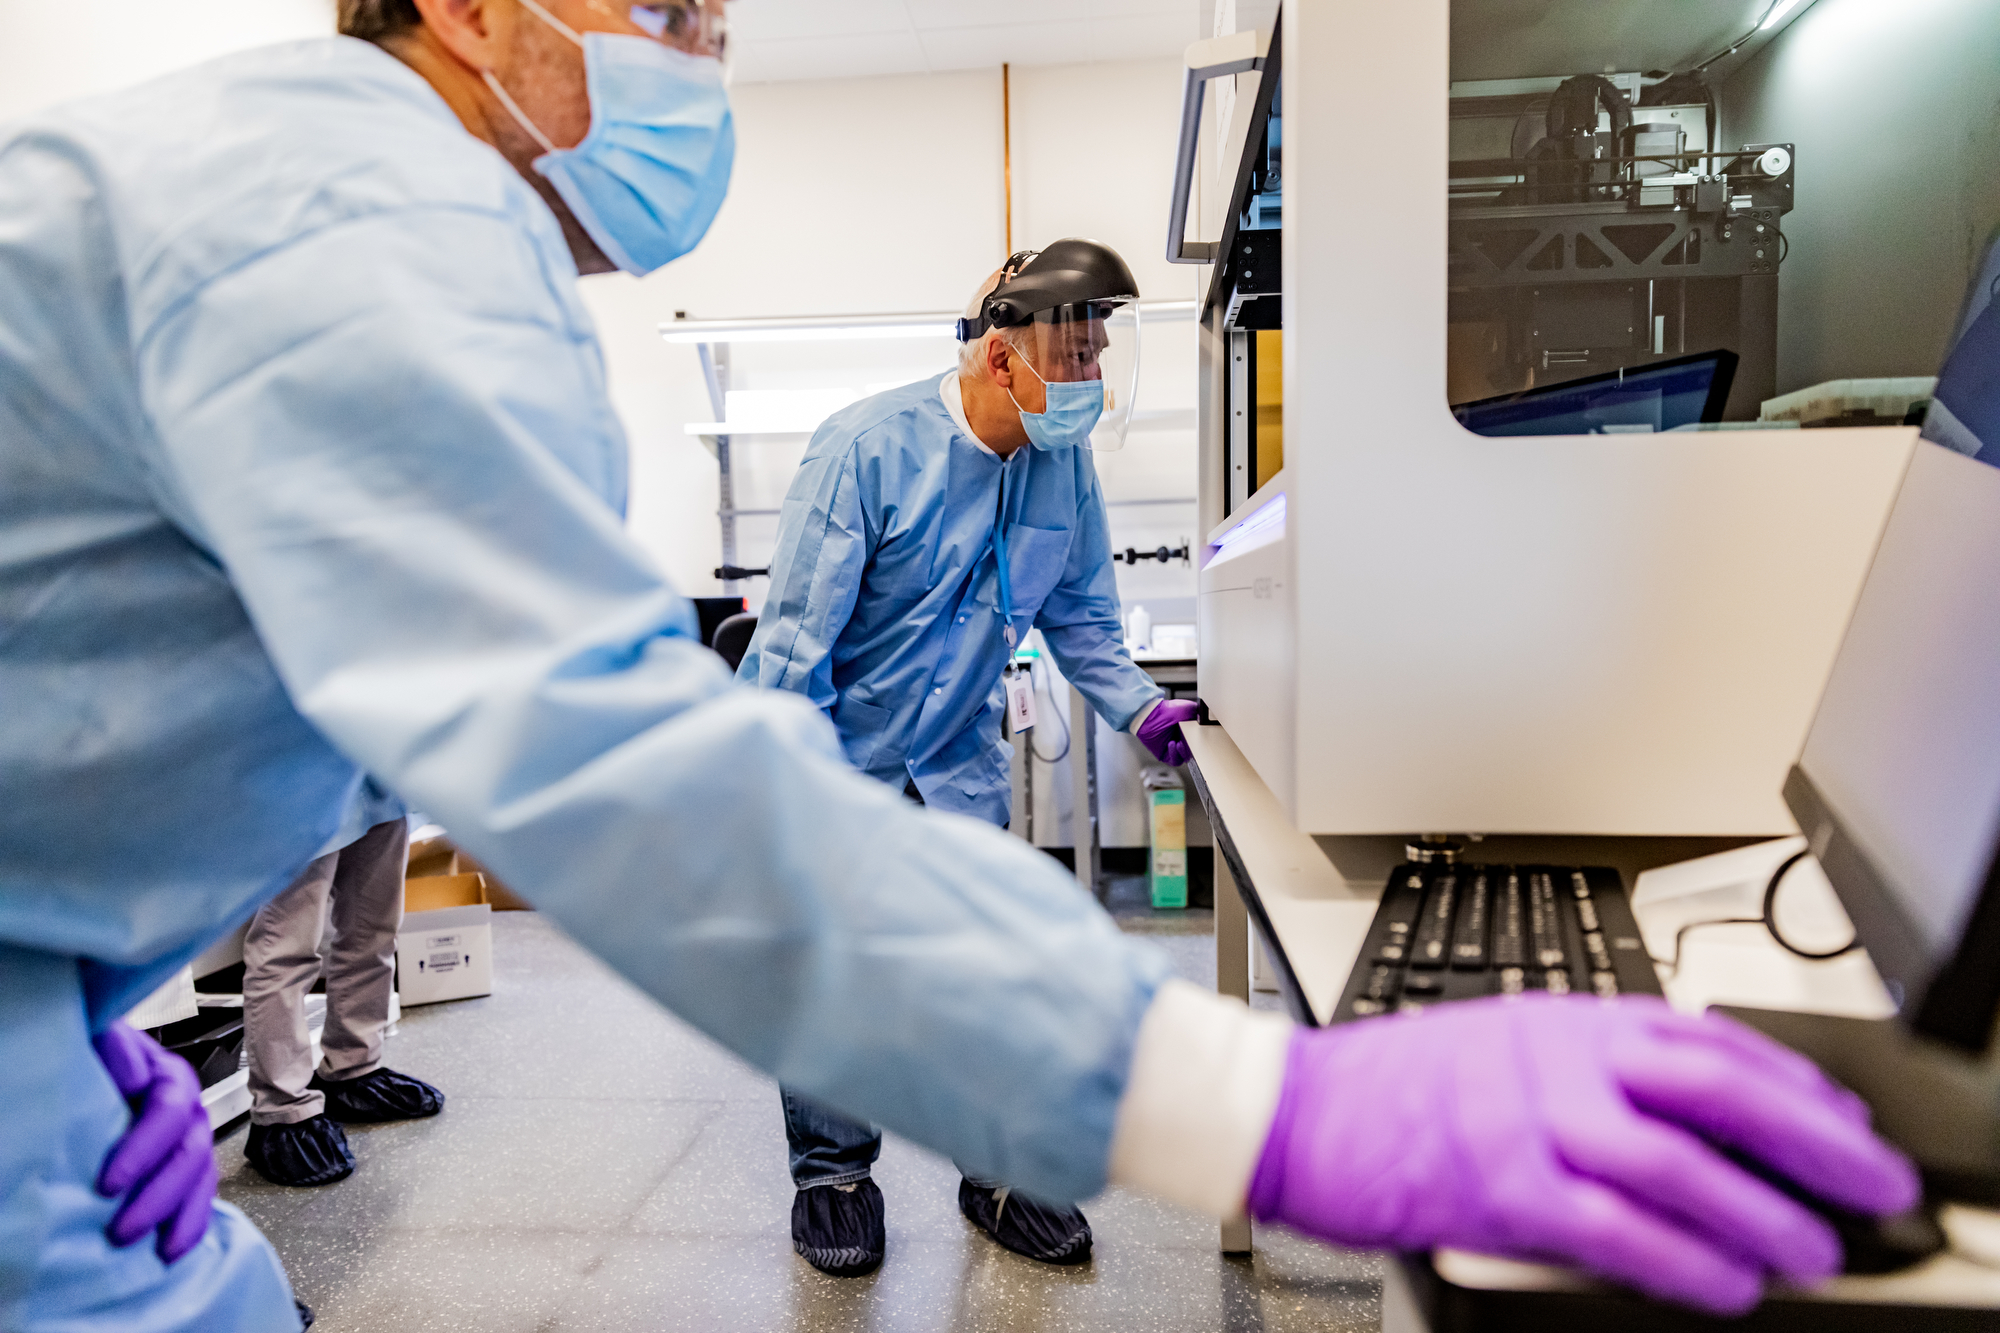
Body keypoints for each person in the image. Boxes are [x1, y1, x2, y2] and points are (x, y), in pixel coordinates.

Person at [0, 1, 1916, 1329]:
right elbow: (634, 759)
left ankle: (1003, 1150)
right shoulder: (368, 222)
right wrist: (1278, 1111)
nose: (694, 68)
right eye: (658, 6)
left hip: (947, 764)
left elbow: (83, 675)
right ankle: (839, 1163)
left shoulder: (343, 223)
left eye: (718, 25)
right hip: (834, 738)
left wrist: (80, 1016)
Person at [737, 240, 1202, 1275]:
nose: (1088, 381)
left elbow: (1081, 617)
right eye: (1072, 358)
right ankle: (834, 1175)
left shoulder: (1057, 463)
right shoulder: (860, 449)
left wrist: (1141, 711)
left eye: (1095, 357)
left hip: (957, 773)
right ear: (1002, 359)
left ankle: (994, 1170)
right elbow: (795, 644)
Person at [240, 789, 445, 1189]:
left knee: (374, 928)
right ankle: (282, 1108)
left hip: (376, 775)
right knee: (287, 944)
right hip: (303, 777)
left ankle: (353, 1066)